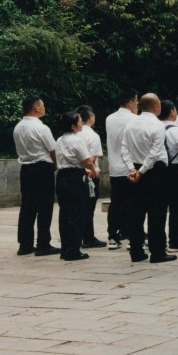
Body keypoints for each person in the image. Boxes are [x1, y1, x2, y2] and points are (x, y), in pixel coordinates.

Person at [121, 93, 175, 263]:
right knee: (157, 213)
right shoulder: (157, 125)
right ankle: (157, 252)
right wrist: (142, 171)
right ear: (155, 107)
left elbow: (123, 148)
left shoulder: (130, 123)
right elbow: (155, 152)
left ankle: (136, 251)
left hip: (135, 169)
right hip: (154, 171)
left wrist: (132, 169)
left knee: (136, 212)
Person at [13, 95, 60, 256]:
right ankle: (43, 243)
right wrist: (55, 165)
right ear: (36, 107)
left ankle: (25, 244)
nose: (44, 108)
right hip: (42, 168)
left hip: (26, 169)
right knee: (45, 207)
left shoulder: (18, 127)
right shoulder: (41, 128)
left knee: (27, 207)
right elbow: (53, 149)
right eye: (42, 105)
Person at [54, 111, 98, 261]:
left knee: (65, 214)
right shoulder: (77, 140)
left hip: (62, 176)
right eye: (80, 122)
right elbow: (87, 160)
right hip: (75, 178)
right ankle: (73, 250)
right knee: (77, 213)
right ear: (73, 126)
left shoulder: (59, 140)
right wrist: (93, 171)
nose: (82, 124)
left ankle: (65, 248)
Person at [105, 89, 138, 249]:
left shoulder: (109, 119)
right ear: (131, 102)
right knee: (133, 203)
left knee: (116, 202)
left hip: (114, 167)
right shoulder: (134, 119)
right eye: (136, 102)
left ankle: (113, 235)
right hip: (130, 167)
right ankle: (133, 235)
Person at [159, 100, 178, 252]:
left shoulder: (156, 129)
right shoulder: (175, 131)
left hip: (160, 169)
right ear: (171, 112)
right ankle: (175, 240)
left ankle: (157, 240)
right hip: (177, 170)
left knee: (159, 207)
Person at [76, 105, 106, 248]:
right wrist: (93, 171)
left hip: (75, 173)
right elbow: (92, 159)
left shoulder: (74, 133)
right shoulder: (93, 136)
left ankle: (79, 236)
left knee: (78, 208)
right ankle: (88, 237)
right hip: (90, 174)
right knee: (89, 208)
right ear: (90, 117)